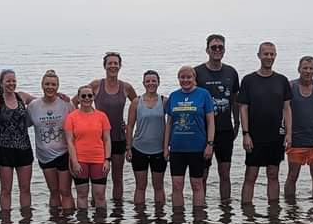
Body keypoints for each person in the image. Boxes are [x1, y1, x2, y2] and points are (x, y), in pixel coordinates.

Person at [238, 42, 292, 204]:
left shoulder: (282, 80)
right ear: (259, 56)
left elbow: (287, 109)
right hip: (254, 135)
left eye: (272, 54)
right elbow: (243, 109)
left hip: (276, 135)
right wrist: (245, 134)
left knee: (273, 174)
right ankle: (247, 214)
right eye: (265, 54)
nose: (269, 57)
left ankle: (273, 215)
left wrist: (289, 133)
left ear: (275, 56)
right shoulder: (248, 80)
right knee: (251, 175)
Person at [83, 52, 137, 202]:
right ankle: (97, 209)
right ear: (104, 66)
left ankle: (117, 214)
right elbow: (78, 100)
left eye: (116, 63)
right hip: (98, 139)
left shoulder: (126, 87)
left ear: (120, 66)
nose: (113, 66)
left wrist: (130, 125)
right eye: (110, 63)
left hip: (118, 137)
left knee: (117, 177)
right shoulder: (96, 85)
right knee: (98, 177)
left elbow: (138, 105)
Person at [194, 34, 239, 203]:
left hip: (225, 129)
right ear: (207, 50)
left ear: (224, 50)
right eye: (214, 47)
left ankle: (226, 212)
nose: (217, 50)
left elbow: (235, 99)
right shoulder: (197, 72)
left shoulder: (231, 72)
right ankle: (201, 209)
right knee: (202, 174)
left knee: (225, 173)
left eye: (220, 47)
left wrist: (238, 123)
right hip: (203, 131)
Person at [164, 66, 215, 209]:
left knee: (197, 184)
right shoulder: (174, 96)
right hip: (177, 148)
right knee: (177, 185)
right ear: (178, 79)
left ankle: (199, 221)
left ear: (194, 78)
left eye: (188, 77)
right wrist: (165, 147)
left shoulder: (203, 94)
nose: (185, 80)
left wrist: (210, 144)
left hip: (197, 147)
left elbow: (211, 121)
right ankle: (178, 220)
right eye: (182, 77)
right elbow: (169, 123)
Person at [27, 70, 75, 210]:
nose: (50, 87)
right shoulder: (33, 106)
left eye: (53, 84)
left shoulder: (66, 104)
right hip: (44, 155)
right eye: (47, 84)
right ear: (42, 85)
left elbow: (78, 122)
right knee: (53, 192)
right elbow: (24, 124)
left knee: (65, 191)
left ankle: (69, 222)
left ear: (58, 86)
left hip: (64, 153)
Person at [285, 56, 313, 199]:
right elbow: (285, 109)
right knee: (292, 176)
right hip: (296, 139)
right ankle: (290, 208)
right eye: (305, 68)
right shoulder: (290, 86)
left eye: (311, 68)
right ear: (299, 69)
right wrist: (287, 132)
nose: (308, 71)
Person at [0, 69, 35, 212]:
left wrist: (61, 99)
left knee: (25, 188)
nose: (11, 84)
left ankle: (26, 223)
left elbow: (42, 102)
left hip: (24, 147)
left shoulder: (22, 97)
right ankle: (6, 223)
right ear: (1, 83)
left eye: (14, 81)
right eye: (8, 81)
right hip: (4, 150)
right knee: (6, 190)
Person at [65, 85, 112, 209]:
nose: (87, 98)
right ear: (79, 98)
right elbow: (69, 141)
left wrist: (107, 160)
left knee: (100, 195)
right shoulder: (71, 117)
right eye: (83, 96)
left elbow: (107, 139)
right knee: (82, 195)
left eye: (89, 96)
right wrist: (74, 162)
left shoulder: (102, 116)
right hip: (80, 160)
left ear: (93, 97)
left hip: (99, 160)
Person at [125, 70, 168, 205]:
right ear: (143, 83)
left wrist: (167, 147)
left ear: (158, 82)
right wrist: (128, 148)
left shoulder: (164, 101)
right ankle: (140, 219)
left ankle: (160, 218)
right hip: (139, 149)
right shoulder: (136, 102)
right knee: (140, 186)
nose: (151, 83)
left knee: (159, 186)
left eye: (153, 81)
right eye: (148, 81)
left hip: (159, 150)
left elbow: (171, 124)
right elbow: (130, 126)